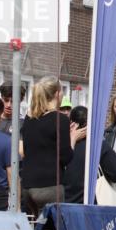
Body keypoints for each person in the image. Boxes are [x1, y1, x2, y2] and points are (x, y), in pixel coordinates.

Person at [19, 76, 80, 217]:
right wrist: (73, 138)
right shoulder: (60, 119)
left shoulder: (29, 119)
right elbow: (66, 157)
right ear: (57, 94)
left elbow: (27, 150)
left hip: (28, 185)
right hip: (49, 185)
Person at [65, 105, 116, 204]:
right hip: (91, 205)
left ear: (72, 123)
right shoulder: (98, 145)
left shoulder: (61, 145)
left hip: (64, 205)